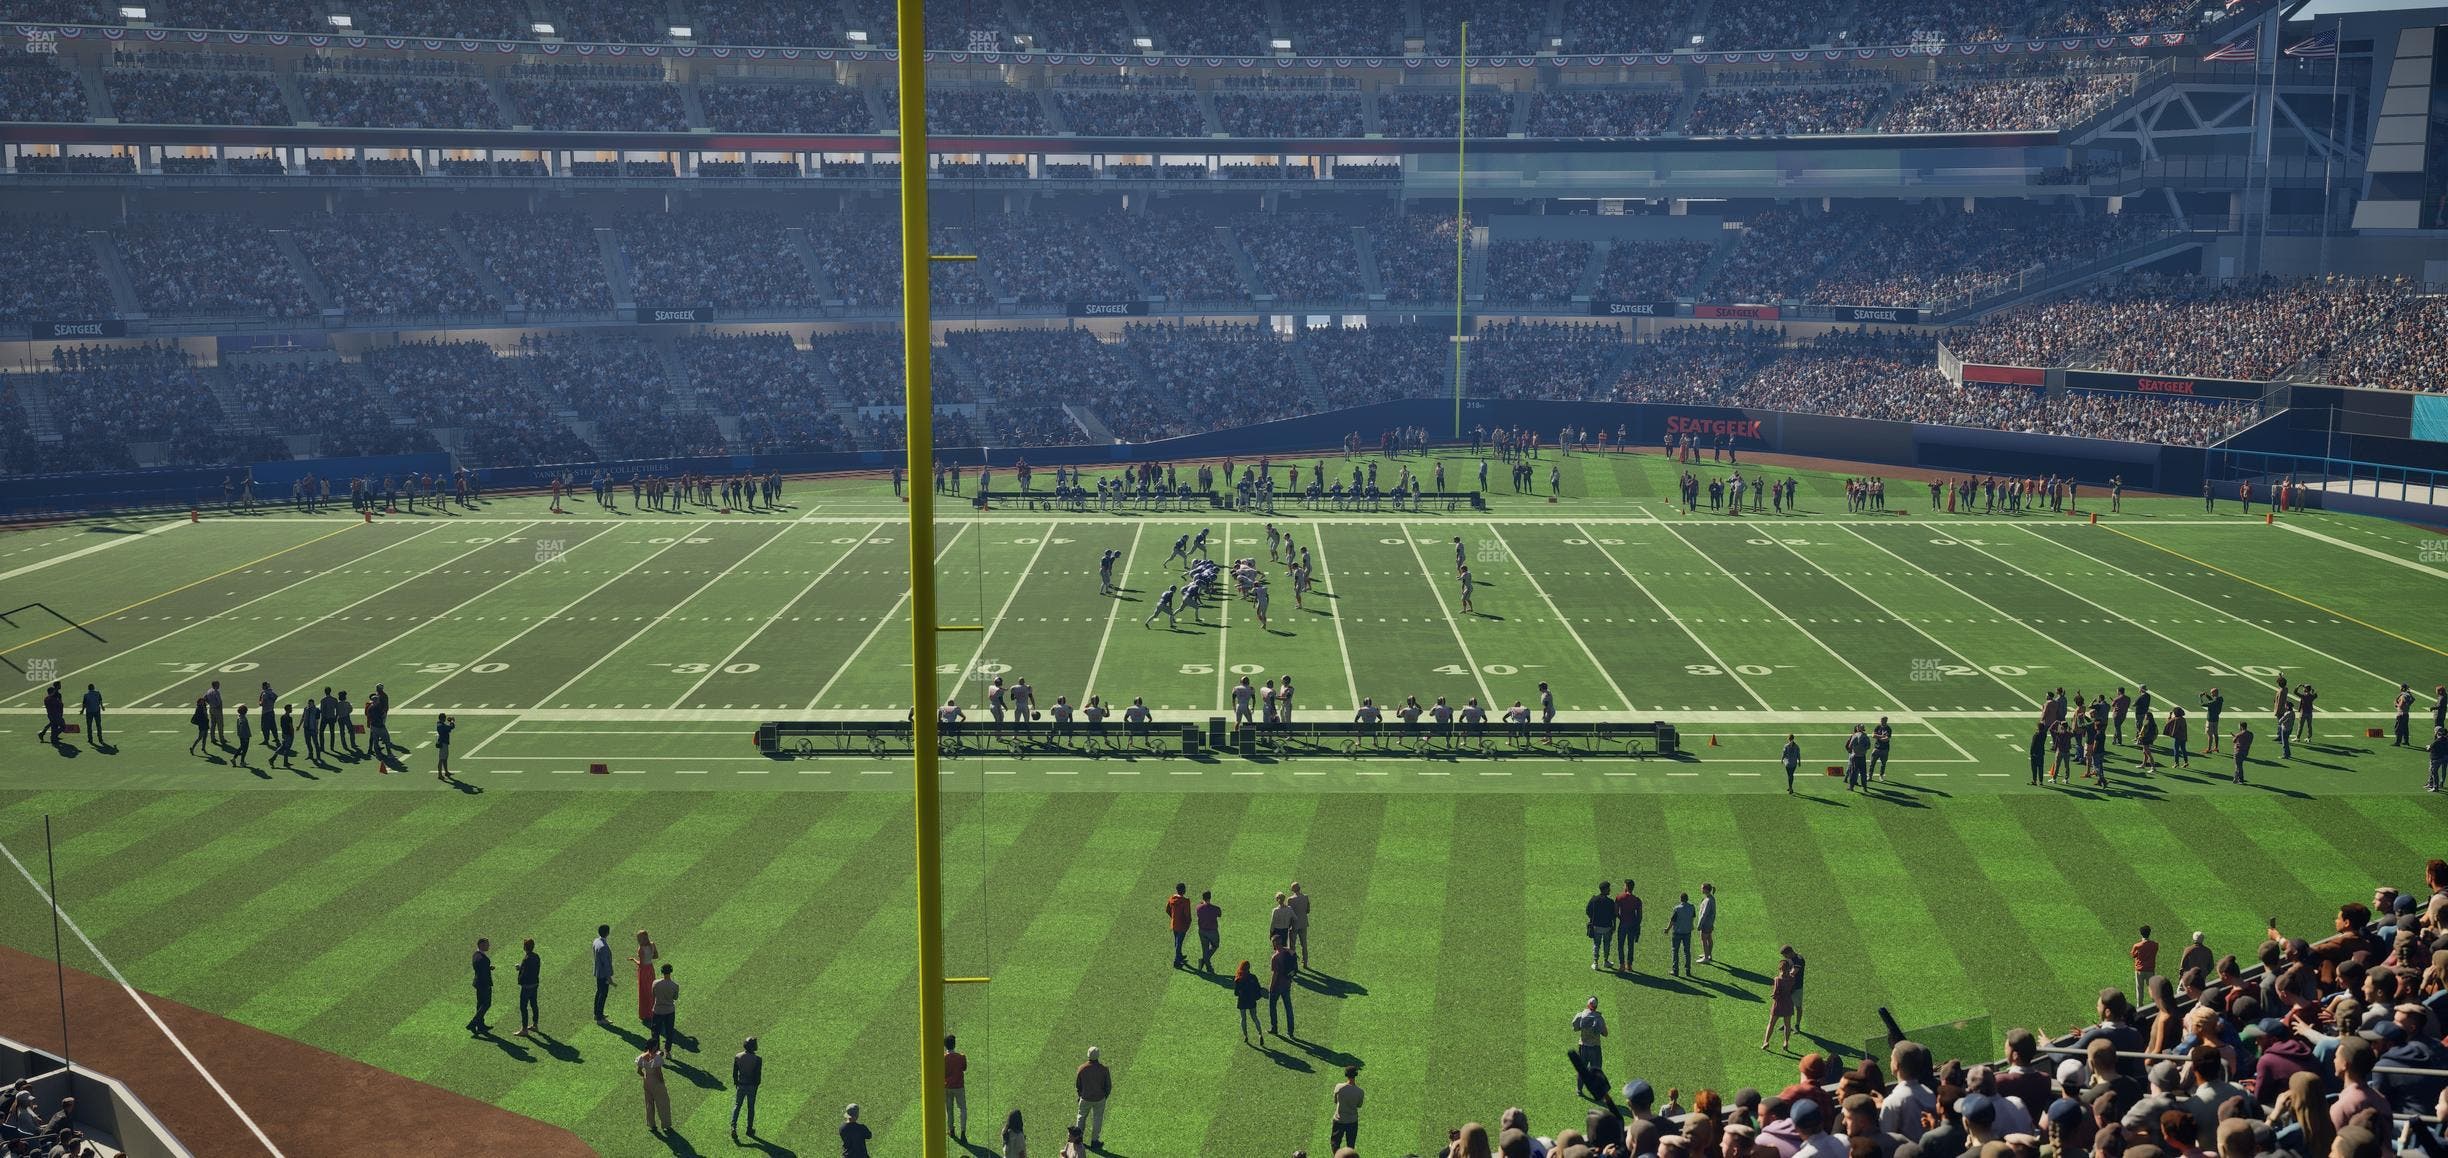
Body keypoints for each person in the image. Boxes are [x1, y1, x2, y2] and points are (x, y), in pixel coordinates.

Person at [1074, 1046, 1110, 1149]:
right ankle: (1095, 1141)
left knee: (1081, 1117)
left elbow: (1078, 1085)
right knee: (1097, 1119)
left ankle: (1078, 1139)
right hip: (1099, 1099)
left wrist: (1080, 1095)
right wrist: (1104, 1096)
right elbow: (1108, 1086)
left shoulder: (1082, 1068)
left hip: (1085, 1098)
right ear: (1098, 1055)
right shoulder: (1104, 1069)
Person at [1764, 950, 1798, 1051]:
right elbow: (1792, 989)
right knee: (1787, 1024)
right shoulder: (1792, 978)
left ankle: (1766, 1041)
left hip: (1778, 1004)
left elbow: (1775, 994)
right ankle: (1786, 1042)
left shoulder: (1777, 980)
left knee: (1771, 1023)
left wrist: (1773, 996)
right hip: (1788, 1002)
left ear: (1780, 969)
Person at [732, 1037, 764, 1139]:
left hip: (741, 1085)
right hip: (751, 1086)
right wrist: (756, 1086)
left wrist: (736, 1082)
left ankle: (733, 1127)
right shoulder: (758, 1059)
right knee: (751, 1108)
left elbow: (734, 1073)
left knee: (737, 1106)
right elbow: (757, 1076)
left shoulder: (738, 1056)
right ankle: (749, 1129)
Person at [638, 1045, 673, 1134]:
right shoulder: (656, 1059)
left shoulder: (641, 1057)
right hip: (656, 1083)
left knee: (649, 1103)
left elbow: (639, 1071)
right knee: (663, 1103)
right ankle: (666, 1125)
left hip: (647, 1082)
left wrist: (645, 1076)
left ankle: (651, 1124)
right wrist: (662, 1082)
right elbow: (658, 1072)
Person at [1269, 934, 1299, 1039]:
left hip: (1277, 986)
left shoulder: (1275, 957)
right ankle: (1290, 1032)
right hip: (1287, 984)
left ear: (1274, 943)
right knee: (1288, 1008)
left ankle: (1274, 1028)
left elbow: (1275, 974)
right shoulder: (1288, 952)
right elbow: (1293, 955)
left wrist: (1271, 986)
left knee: (1272, 1006)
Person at [1331, 1065, 1365, 1152]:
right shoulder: (1360, 1092)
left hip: (1339, 1120)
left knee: (1335, 1143)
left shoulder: (1339, 1087)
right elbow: (1359, 1105)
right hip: (1352, 1121)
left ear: (1346, 1075)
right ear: (1356, 1075)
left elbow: (1335, 1101)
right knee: (1351, 1144)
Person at [1573, 997, 1609, 1075]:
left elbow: (1575, 1028)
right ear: (1596, 1006)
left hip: (1583, 1047)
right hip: (1595, 1048)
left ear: (1588, 1005)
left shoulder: (1580, 1015)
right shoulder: (1599, 1018)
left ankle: (1579, 1087)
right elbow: (1605, 1034)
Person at [1587, 882, 1619, 970]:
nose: (1609, 890)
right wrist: (1614, 925)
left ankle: (1595, 963)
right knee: (1607, 944)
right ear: (1604, 889)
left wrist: (1593, 919)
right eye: (1608, 888)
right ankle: (1605, 961)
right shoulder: (1610, 902)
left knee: (1596, 944)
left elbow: (1588, 911)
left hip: (1596, 926)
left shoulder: (1594, 899)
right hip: (1607, 927)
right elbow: (1614, 915)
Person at [649, 963, 679, 1052]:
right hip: (669, 1011)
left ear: (662, 972)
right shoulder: (675, 985)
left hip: (658, 1010)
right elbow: (675, 997)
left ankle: (656, 1050)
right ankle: (668, 1051)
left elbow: (653, 994)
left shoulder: (655, 983)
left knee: (655, 1032)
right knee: (669, 1032)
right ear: (671, 971)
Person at [468, 937, 494, 1036]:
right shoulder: (482, 959)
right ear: (481, 945)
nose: (489, 946)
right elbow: (483, 974)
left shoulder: (476, 955)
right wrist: (487, 985)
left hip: (478, 983)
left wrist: (488, 968)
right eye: (487, 944)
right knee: (486, 1004)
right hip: (484, 984)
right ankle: (473, 1023)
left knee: (480, 1005)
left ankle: (480, 1025)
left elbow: (480, 969)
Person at [1233, 959, 1265, 1042]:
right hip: (1251, 1000)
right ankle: (1260, 1034)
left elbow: (1236, 993)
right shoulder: (1253, 977)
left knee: (1243, 1019)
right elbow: (1258, 989)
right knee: (1255, 1018)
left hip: (1242, 1001)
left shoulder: (1238, 978)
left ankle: (1246, 1036)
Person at [944, 1034, 968, 1139]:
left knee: (949, 1109)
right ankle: (963, 1131)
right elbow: (964, 1068)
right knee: (962, 1109)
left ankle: (951, 1130)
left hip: (947, 1086)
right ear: (954, 1044)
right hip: (959, 1086)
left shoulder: (943, 1058)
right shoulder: (961, 1057)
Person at [515, 937, 540, 1037]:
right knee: (534, 1004)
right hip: (535, 984)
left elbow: (524, 973)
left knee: (523, 1007)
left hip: (526, 986)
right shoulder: (536, 956)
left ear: (525, 947)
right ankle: (535, 1024)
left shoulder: (526, 959)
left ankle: (524, 1029)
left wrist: (519, 971)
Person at [1614, 880, 1642, 972]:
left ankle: (1622, 965)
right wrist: (1637, 925)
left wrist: (1620, 918)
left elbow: (1616, 912)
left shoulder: (1619, 897)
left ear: (1626, 886)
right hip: (1633, 925)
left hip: (1623, 924)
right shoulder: (1637, 900)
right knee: (1631, 945)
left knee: (1620, 945)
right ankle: (1629, 965)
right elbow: (1640, 916)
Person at [633, 930, 658, 1025]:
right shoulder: (652, 944)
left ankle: (646, 1014)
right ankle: (653, 1012)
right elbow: (656, 956)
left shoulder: (641, 949)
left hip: (644, 971)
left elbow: (641, 964)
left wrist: (634, 960)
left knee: (644, 992)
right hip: (651, 969)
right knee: (651, 991)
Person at [1669, 892, 1697, 977]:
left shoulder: (1677, 908)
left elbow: (1673, 921)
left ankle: (1675, 970)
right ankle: (1688, 970)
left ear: (1680, 899)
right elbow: (1693, 917)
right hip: (1687, 932)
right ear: (1687, 899)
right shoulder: (1692, 907)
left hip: (1677, 932)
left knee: (1675, 951)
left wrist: (1667, 929)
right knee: (1687, 951)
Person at [1166, 882, 1193, 969]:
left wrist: (1173, 917)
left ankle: (1179, 956)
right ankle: (1176, 961)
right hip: (1182, 926)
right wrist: (1188, 923)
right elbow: (1187, 914)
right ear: (1184, 890)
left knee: (1177, 941)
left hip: (1174, 924)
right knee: (1179, 943)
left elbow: (1167, 910)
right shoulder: (1185, 901)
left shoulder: (1171, 898)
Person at [1194, 890, 1222, 972]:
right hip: (1212, 931)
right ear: (1210, 897)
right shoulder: (1215, 908)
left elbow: (1200, 906)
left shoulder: (1198, 907)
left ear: (1203, 898)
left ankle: (1207, 966)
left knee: (1205, 949)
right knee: (1215, 946)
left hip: (1202, 931)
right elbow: (1219, 914)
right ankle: (1205, 963)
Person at [592, 925, 614, 1024]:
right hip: (603, 974)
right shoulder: (604, 946)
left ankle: (597, 1014)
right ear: (607, 933)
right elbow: (606, 964)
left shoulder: (596, 941)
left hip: (598, 972)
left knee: (599, 992)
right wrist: (609, 978)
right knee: (603, 994)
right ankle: (600, 1018)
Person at [2132, 926, 2159, 1007]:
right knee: (2152, 989)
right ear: (2149, 933)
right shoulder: (2155, 945)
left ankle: (2139, 1006)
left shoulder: (2137, 946)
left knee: (2139, 989)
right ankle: (2155, 1005)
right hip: (2150, 970)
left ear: (2141, 934)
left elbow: (2133, 955)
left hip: (2139, 970)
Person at [1698, 883, 1719, 965]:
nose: (1701, 889)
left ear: (1706, 889)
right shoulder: (1711, 898)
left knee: (1703, 939)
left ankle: (1706, 958)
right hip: (1710, 922)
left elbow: (1704, 913)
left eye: (1702, 888)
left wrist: (1700, 924)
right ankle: (1708, 954)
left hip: (1706, 923)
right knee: (1709, 938)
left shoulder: (1708, 900)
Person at [79, 683, 103, 747]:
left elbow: (84, 704)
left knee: (89, 726)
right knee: (98, 725)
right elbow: (100, 700)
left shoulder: (86, 695)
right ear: (94, 687)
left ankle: (90, 739)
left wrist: (82, 710)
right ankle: (100, 738)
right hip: (97, 710)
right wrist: (102, 707)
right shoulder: (97, 693)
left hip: (89, 711)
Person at [434, 713, 456, 781]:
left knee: (445, 758)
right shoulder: (441, 725)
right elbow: (450, 727)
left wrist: (450, 723)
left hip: (444, 743)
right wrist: (452, 721)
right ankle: (440, 774)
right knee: (441, 759)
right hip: (443, 743)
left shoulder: (440, 724)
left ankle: (446, 772)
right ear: (442, 718)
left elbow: (449, 728)